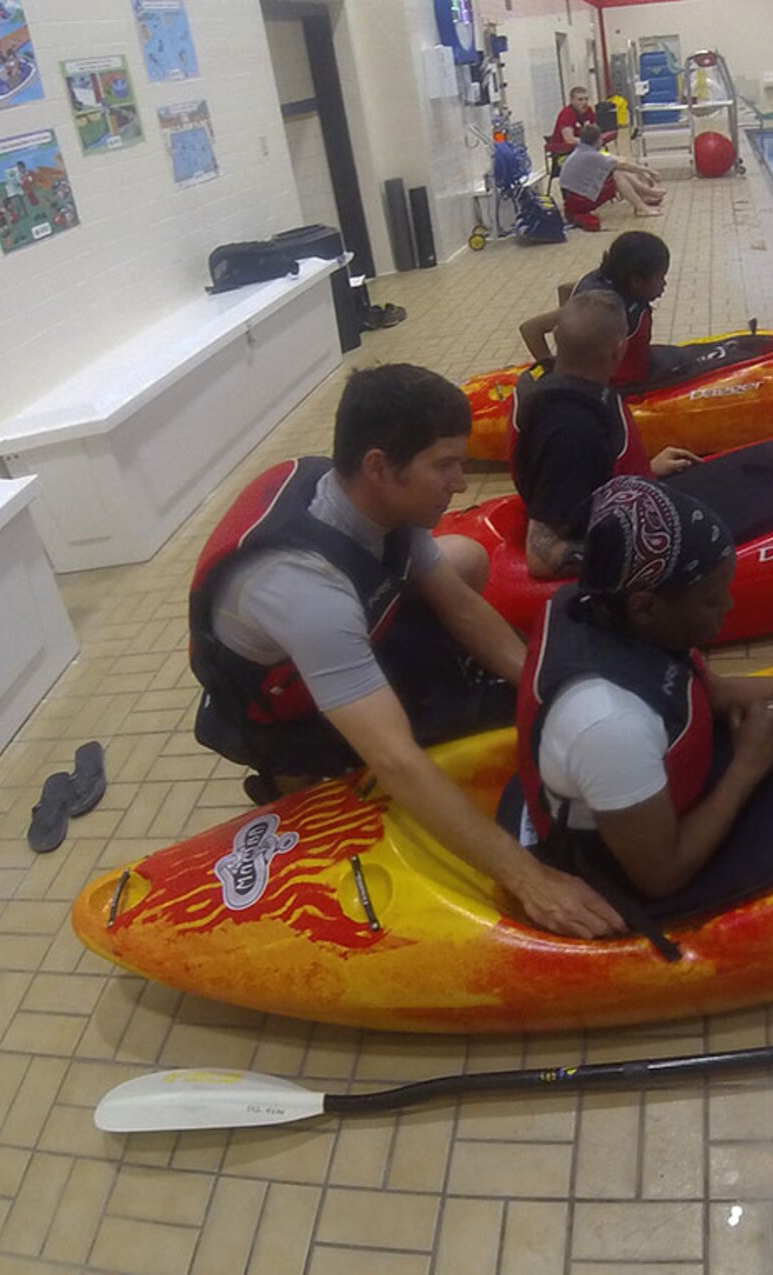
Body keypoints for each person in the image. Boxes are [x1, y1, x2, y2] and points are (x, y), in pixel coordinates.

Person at [189, 364, 624, 939]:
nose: (462, 483)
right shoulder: (308, 590)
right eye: (445, 465)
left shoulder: (364, 495)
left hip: (337, 634)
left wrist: (550, 692)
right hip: (281, 709)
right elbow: (396, 760)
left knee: (466, 560)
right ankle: (288, 777)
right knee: (439, 735)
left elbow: (461, 608)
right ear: (378, 466)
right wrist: (528, 879)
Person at [515, 477, 773, 911]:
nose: (729, 607)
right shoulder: (609, 723)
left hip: (645, 795)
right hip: (625, 867)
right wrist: (748, 767)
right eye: (710, 601)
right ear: (646, 607)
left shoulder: (597, 603)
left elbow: (706, 692)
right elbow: (661, 875)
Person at [511, 290, 699, 579]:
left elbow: (588, 479)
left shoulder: (553, 385)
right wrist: (645, 552)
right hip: (611, 532)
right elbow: (542, 556)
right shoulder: (573, 429)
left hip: (617, 502)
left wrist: (645, 471)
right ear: (618, 349)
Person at [519, 231, 670, 387]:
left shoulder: (613, 279)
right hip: (622, 387)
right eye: (661, 278)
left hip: (641, 364)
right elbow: (531, 329)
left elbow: (565, 288)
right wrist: (554, 374)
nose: (664, 284)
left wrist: (568, 334)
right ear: (637, 280)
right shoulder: (602, 308)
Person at [558, 125, 665, 230]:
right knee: (617, 174)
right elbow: (622, 165)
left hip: (573, 197)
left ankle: (646, 195)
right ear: (598, 140)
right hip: (579, 201)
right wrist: (648, 171)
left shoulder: (582, 150)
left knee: (617, 170)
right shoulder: (591, 155)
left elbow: (618, 160)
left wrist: (642, 172)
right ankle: (642, 207)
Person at [551, 86, 615, 156]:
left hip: (585, 149)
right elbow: (569, 140)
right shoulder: (567, 113)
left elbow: (594, 132)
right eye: (580, 100)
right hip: (565, 153)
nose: (584, 102)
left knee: (608, 158)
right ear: (572, 101)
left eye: (586, 99)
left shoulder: (589, 111)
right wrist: (590, 142)